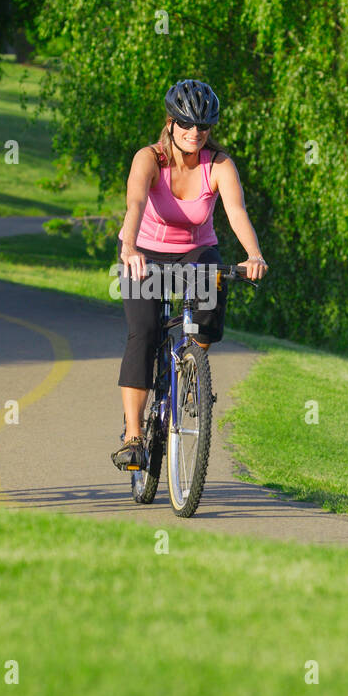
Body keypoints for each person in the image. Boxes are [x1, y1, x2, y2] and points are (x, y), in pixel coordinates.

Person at [111, 79, 268, 470]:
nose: (195, 133)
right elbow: (134, 203)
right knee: (144, 333)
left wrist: (254, 254)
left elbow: (236, 213)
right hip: (144, 251)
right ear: (170, 122)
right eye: (187, 124)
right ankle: (133, 435)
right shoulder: (149, 158)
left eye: (204, 126)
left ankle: (192, 368)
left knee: (207, 313)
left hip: (196, 253)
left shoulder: (220, 164)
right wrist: (128, 246)